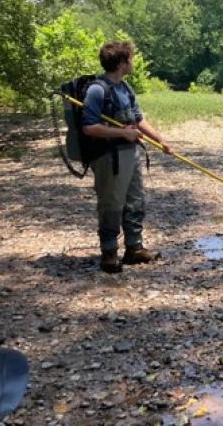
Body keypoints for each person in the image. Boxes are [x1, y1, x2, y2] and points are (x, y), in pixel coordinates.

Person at [81, 41, 172, 273]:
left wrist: (160, 140)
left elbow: (139, 119)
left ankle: (134, 249)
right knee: (111, 204)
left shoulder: (126, 88)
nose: (132, 62)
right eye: (130, 59)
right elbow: (89, 127)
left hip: (131, 155)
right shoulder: (97, 90)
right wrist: (123, 133)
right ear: (121, 63)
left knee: (135, 201)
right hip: (108, 157)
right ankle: (109, 253)